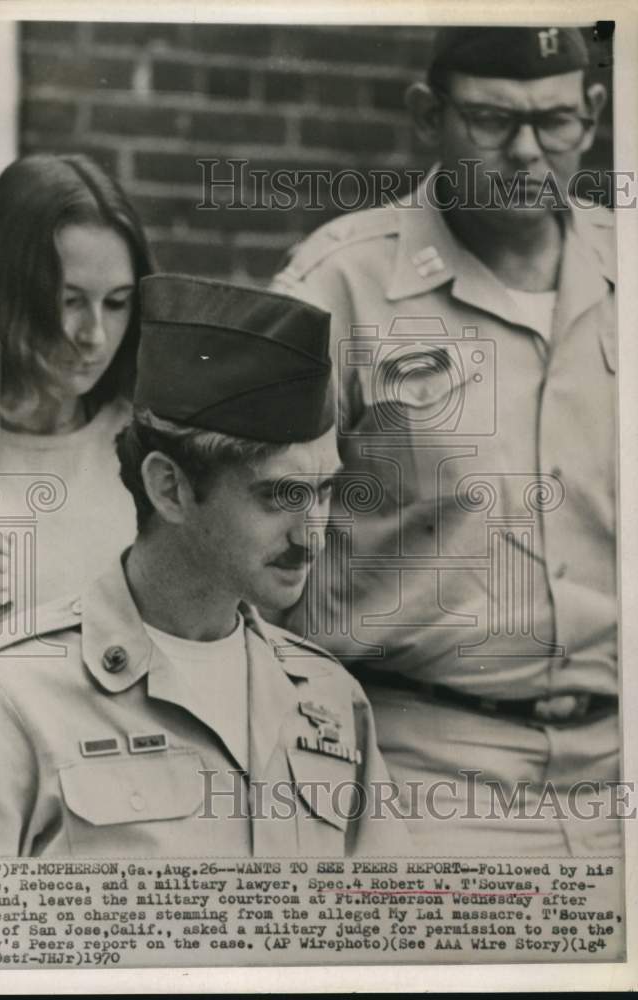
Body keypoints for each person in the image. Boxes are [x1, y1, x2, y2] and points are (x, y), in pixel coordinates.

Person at [272, 27, 618, 855]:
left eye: (556, 121)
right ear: (428, 116)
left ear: (594, 113)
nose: (527, 151)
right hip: (420, 772)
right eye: (491, 120)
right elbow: (248, 525)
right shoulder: (338, 287)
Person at [0, 274, 408, 858]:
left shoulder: (332, 699)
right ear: (169, 488)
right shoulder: (6, 696)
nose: (311, 536)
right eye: (278, 497)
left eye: (322, 492)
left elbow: (384, 933)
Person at [0, 153, 154, 652]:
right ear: (7, 296)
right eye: (70, 300)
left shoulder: (154, 450)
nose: (95, 335)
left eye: (118, 302)